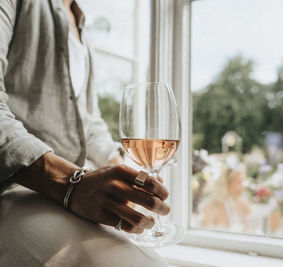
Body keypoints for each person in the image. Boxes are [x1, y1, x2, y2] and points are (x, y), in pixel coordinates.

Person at [0, 0, 169, 266]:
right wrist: (72, 185)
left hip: (68, 193)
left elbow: (89, 126)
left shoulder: (82, 28)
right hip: (13, 188)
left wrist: (128, 176)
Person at [201, 164, 250, 232]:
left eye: (243, 183)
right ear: (227, 183)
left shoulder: (244, 205)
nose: (243, 187)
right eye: (239, 183)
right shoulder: (212, 207)